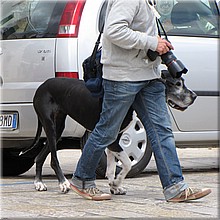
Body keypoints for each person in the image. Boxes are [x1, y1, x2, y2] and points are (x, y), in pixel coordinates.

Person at [70, 0, 211, 202]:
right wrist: (152, 43)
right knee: (107, 131)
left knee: (161, 130)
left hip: (149, 76)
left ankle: (175, 188)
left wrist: (158, 45)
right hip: (123, 77)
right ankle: (82, 180)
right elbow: (114, 30)